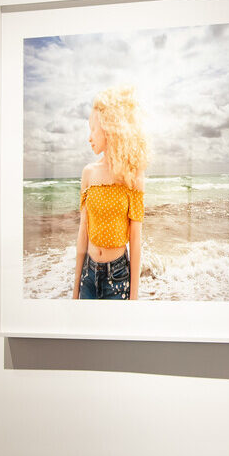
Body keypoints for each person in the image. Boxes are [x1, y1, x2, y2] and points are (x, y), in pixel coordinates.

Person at [71, 85, 148, 300]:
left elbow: (135, 240)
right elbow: (82, 234)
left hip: (118, 278)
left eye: (93, 129)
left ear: (108, 128)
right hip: (88, 275)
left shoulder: (132, 176)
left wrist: (134, 297)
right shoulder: (88, 173)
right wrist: (75, 290)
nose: (90, 137)